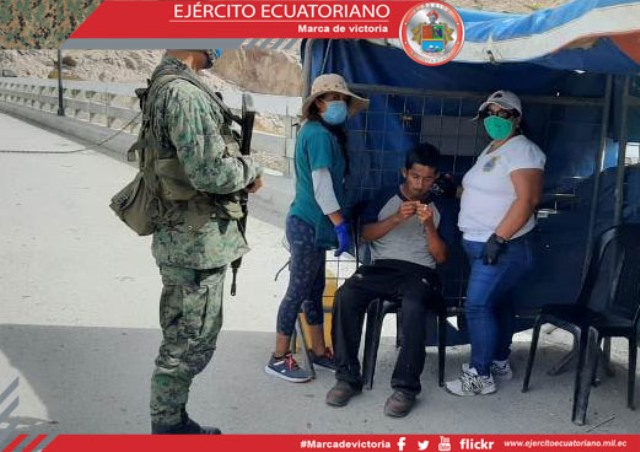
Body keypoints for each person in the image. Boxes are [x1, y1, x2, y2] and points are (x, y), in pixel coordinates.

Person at [145, 50, 263, 434]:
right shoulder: (185, 93)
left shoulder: (167, 84)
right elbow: (210, 172)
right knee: (186, 345)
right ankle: (168, 429)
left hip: (188, 237)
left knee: (186, 339)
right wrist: (251, 168)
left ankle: (173, 422)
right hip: (194, 244)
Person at [325, 143, 453, 417]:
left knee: (415, 304)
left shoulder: (441, 206)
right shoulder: (385, 196)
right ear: (404, 172)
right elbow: (365, 236)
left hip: (421, 272)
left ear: (435, 178)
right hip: (381, 268)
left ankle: (405, 388)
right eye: (415, 176)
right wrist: (396, 218)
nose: (420, 184)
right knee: (346, 294)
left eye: (427, 179)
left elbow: (441, 257)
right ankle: (347, 377)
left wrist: (428, 226)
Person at [264, 74, 369, 383]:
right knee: (298, 291)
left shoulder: (317, 132)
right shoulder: (320, 136)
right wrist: (341, 225)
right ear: (318, 103)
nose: (339, 103)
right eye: (332, 98)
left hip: (311, 225)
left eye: (342, 99)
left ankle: (319, 350)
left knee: (314, 290)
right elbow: (322, 188)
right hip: (309, 225)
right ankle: (279, 357)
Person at [445, 90, 545, 396]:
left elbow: (528, 199)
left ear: (517, 118)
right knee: (497, 303)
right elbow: (486, 190)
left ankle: (481, 375)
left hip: (503, 245)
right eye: (489, 113)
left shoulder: (524, 150)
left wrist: (499, 238)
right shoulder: (492, 148)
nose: (495, 119)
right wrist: (454, 190)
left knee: (477, 305)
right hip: (479, 242)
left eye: (503, 114)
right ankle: (499, 360)